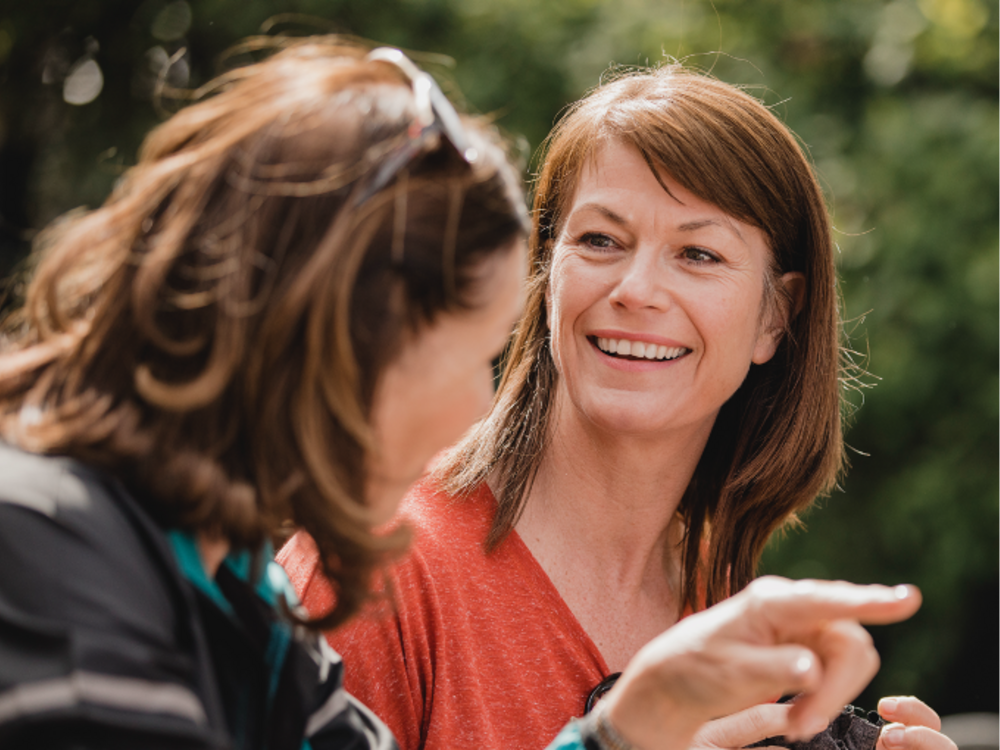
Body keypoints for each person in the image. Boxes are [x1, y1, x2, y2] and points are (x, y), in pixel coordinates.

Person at [0, 39, 929, 750]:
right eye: (462, 354)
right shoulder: (53, 560)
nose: (466, 413)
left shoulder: (238, 598)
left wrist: (630, 729)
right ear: (326, 330)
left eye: (697, 252)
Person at [279, 64, 957, 750]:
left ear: (776, 316)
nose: (636, 290)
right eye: (600, 241)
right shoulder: (371, 572)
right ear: (546, 274)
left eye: (697, 253)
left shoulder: (729, 617)